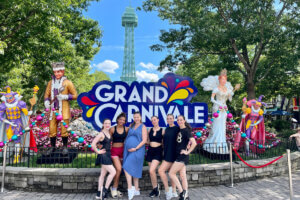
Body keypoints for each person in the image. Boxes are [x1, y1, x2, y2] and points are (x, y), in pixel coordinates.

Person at [200, 69, 240, 159]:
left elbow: (229, 100)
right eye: (222, 79)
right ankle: (213, 145)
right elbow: (212, 99)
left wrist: (231, 93)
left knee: (222, 126)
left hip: (224, 109)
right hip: (217, 108)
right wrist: (219, 104)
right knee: (216, 126)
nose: (224, 81)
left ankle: (221, 145)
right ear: (219, 80)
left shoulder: (227, 89)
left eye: (225, 79)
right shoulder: (216, 88)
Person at [44, 62, 77, 155]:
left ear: (63, 72)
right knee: (52, 129)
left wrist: (65, 97)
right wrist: (46, 101)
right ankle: (52, 148)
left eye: (59, 72)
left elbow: (75, 95)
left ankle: (65, 147)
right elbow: (47, 94)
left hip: (64, 110)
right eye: (55, 72)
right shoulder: (50, 83)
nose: (57, 74)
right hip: (53, 110)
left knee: (64, 130)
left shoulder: (68, 83)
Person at [0, 86, 32, 163]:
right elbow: (0, 117)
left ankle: (16, 157)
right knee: (9, 140)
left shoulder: (20, 103)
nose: (8, 99)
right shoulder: (3, 105)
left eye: (10, 97)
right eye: (7, 98)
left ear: (14, 96)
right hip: (9, 125)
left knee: (17, 140)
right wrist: (9, 122)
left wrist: (29, 113)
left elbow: (26, 113)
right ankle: (8, 155)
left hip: (18, 124)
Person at [168, 115, 196, 200]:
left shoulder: (186, 131)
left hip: (182, 156)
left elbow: (194, 143)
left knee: (171, 173)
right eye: (178, 120)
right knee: (182, 176)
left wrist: (187, 151)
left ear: (184, 121)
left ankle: (181, 192)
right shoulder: (180, 130)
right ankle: (186, 195)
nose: (179, 121)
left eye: (181, 120)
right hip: (178, 155)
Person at [123, 111, 147, 200]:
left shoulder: (143, 127)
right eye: (135, 117)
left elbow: (144, 140)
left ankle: (130, 188)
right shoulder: (131, 126)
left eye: (137, 117)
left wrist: (135, 148)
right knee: (134, 168)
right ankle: (136, 189)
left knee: (126, 167)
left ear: (140, 118)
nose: (136, 119)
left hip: (138, 150)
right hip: (128, 150)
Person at [92, 118, 116, 200]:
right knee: (113, 172)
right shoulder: (101, 134)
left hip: (108, 155)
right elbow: (93, 144)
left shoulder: (109, 133)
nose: (107, 125)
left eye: (109, 123)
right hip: (104, 155)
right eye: (106, 123)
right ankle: (105, 190)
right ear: (103, 124)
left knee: (102, 175)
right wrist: (98, 152)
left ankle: (99, 193)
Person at [158, 114, 179, 200]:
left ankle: (167, 190)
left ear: (174, 119)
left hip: (173, 153)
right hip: (167, 152)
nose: (169, 120)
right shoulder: (167, 129)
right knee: (171, 173)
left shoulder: (177, 129)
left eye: (171, 118)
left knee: (161, 170)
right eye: (168, 118)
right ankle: (174, 191)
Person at [109, 112, 128, 198]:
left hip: (122, 151)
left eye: (123, 120)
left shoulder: (126, 129)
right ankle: (113, 188)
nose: (121, 121)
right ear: (117, 120)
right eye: (120, 119)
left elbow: (130, 139)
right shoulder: (112, 129)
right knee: (119, 169)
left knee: (119, 172)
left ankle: (115, 188)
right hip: (114, 151)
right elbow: (107, 140)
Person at [145, 116, 164, 197]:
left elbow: (164, 143)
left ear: (158, 120)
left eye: (155, 120)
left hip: (158, 151)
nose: (153, 121)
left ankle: (156, 188)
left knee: (152, 170)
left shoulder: (162, 131)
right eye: (152, 120)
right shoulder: (149, 130)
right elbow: (148, 141)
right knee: (151, 172)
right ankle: (155, 189)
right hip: (150, 151)